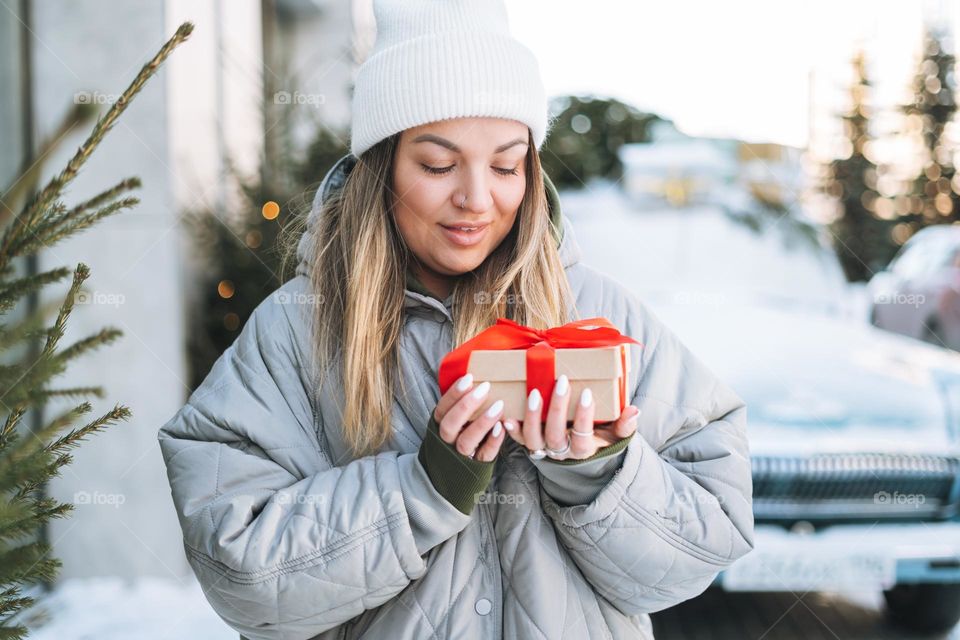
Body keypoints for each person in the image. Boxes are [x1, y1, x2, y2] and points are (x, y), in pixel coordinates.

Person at [157, 1, 755, 638]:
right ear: (382, 166)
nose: (476, 198)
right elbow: (239, 575)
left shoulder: (601, 313)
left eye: (506, 165)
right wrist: (424, 487)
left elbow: (708, 537)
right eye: (438, 165)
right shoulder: (296, 332)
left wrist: (599, 475)